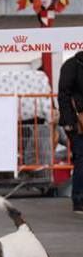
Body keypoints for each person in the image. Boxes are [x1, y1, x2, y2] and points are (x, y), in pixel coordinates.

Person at [58, 52, 83, 214]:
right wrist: (69, 122)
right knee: (81, 158)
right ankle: (79, 199)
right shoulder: (72, 65)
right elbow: (64, 95)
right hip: (77, 121)